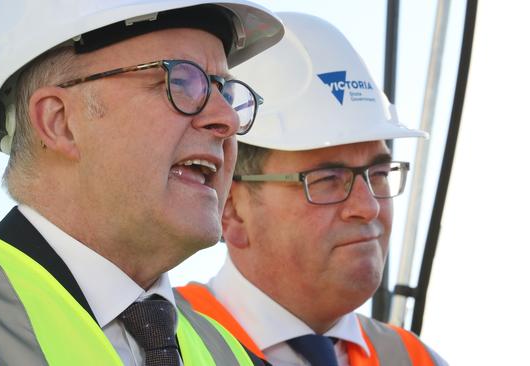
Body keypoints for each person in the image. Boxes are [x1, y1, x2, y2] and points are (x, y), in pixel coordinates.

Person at [0, 1, 285, 365]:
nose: (227, 120)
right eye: (181, 81)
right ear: (59, 122)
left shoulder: (238, 359)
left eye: (225, 91)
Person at [177, 12, 448, 366]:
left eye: (379, 173)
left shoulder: (413, 359)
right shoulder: (160, 345)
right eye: (327, 180)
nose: (368, 207)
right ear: (231, 208)